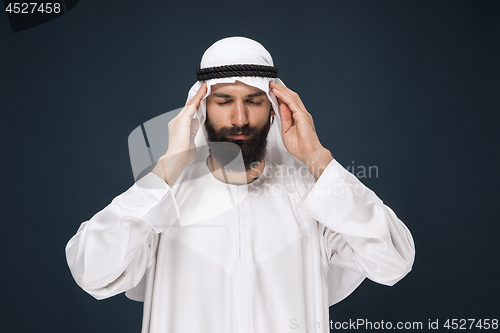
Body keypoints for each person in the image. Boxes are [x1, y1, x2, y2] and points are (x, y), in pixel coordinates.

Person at [65, 37, 415, 333]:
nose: (240, 119)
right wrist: (165, 171)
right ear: (201, 109)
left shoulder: (312, 196)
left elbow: (393, 261)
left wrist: (317, 157)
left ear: (275, 108)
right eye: (224, 102)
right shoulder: (163, 201)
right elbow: (92, 271)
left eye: (253, 101)